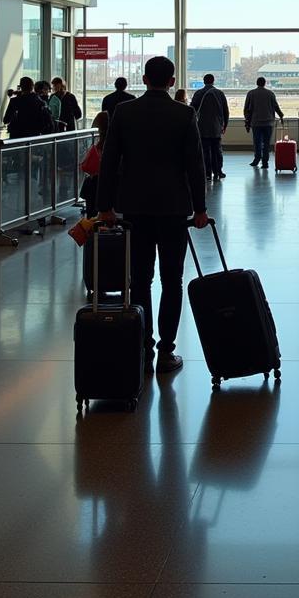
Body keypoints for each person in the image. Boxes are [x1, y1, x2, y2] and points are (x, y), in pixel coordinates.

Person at [97, 56, 209, 376]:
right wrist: (199, 209)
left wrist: (105, 205)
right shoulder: (184, 114)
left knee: (140, 280)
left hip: (135, 208)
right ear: (171, 82)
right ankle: (166, 352)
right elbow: (195, 167)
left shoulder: (124, 112)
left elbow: (109, 162)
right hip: (174, 209)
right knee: (172, 280)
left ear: (144, 79)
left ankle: (143, 346)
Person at [191, 73, 229, 181]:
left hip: (202, 127)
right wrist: (224, 125)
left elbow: (192, 110)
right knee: (217, 150)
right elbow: (226, 111)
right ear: (213, 81)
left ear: (204, 81)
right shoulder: (220, 93)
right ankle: (218, 171)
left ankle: (207, 173)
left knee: (205, 151)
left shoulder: (198, 93)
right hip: (216, 127)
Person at [243, 77, 283, 169]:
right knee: (266, 143)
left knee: (257, 142)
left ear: (257, 83)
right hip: (268, 123)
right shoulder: (270, 93)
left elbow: (247, 109)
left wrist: (247, 121)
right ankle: (265, 162)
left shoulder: (251, 93)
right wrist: (281, 115)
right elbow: (276, 106)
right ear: (265, 83)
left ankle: (256, 160)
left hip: (256, 123)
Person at [79, 110, 109, 217]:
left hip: (94, 183)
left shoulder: (98, 145)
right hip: (108, 184)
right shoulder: (113, 144)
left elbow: (87, 166)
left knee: (91, 213)